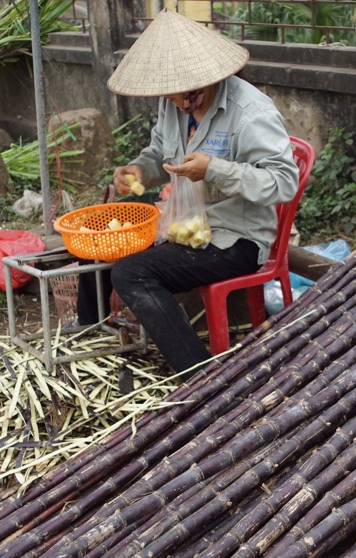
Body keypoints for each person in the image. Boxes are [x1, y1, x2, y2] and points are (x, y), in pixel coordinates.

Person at [78, 8, 299, 376]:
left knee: (132, 274)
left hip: (236, 239)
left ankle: (196, 374)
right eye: (168, 95)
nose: (175, 103)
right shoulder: (173, 104)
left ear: (204, 77)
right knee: (99, 239)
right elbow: (157, 153)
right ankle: (90, 340)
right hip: (186, 225)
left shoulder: (249, 112)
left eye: (180, 94)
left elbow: (282, 182)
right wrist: (138, 170)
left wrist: (214, 169)